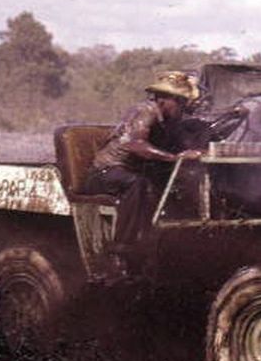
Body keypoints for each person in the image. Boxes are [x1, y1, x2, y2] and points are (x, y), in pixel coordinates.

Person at [83, 71, 202, 254]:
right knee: (137, 183)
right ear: (164, 100)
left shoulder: (169, 122)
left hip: (132, 172)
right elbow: (136, 145)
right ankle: (124, 244)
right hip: (104, 174)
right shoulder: (145, 111)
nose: (183, 107)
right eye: (180, 102)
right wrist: (174, 158)